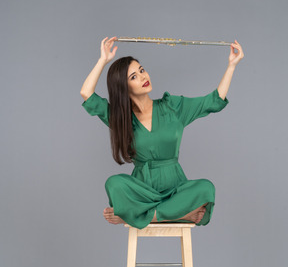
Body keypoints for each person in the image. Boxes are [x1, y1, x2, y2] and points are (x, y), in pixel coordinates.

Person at [80, 36, 244, 229]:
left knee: (206, 188)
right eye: (133, 77)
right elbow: (87, 93)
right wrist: (102, 60)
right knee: (114, 183)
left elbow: (214, 101)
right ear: (123, 87)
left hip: (176, 189)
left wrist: (232, 65)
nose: (143, 77)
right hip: (143, 192)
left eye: (142, 70)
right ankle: (179, 214)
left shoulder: (172, 107)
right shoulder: (120, 118)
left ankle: (135, 216)